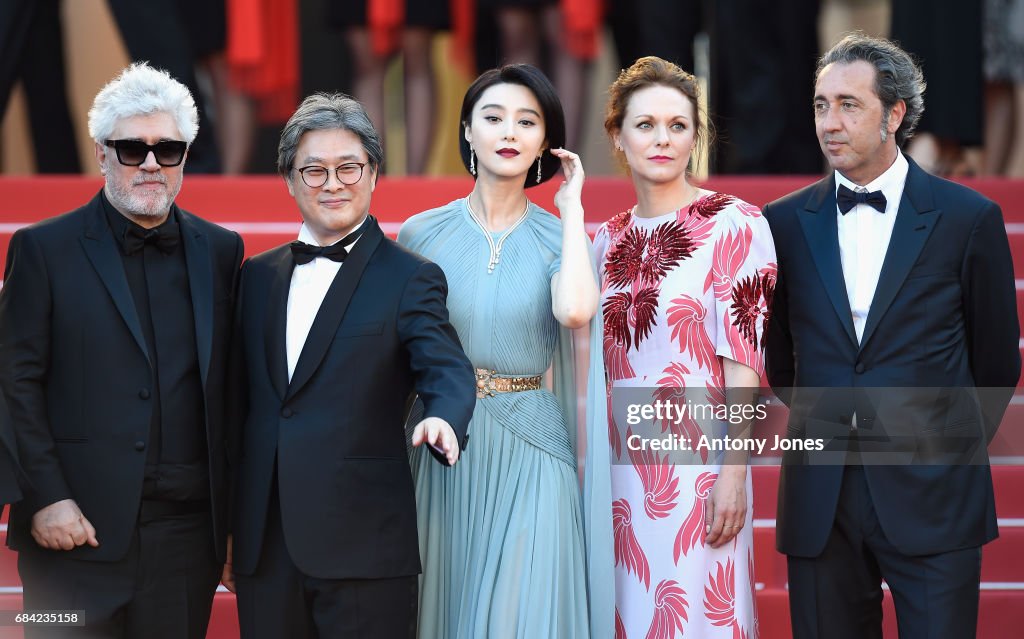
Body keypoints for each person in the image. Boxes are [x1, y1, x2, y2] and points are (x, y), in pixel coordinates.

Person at [764, 33, 1020, 638]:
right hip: (821, 498)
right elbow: (779, 359)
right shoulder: (782, 223)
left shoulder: (967, 220)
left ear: (895, 114)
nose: (831, 121)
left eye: (850, 105)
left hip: (935, 495)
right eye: (822, 104)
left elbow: (995, 363)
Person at [0, 62, 244, 638]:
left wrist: (237, 521)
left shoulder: (221, 251)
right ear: (102, 153)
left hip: (185, 544)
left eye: (169, 149)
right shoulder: (42, 250)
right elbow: (13, 381)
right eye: (132, 149)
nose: (152, 164)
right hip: (71, 537)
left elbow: (235, 392)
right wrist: (45, 498)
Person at [226, 92, 476, 639]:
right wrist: (231, 526)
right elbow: (238, 405)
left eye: (348, 168)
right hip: (265, 544)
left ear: (373, 175)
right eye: (314, 170)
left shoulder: (410, 276)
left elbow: (445, 367)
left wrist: (445, 417)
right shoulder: (256, 277)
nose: (333, 184)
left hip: (364, 547)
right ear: (289, 181)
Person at [398, 63, 599, 637]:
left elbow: (577, 311)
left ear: (545, 141)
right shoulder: (420, 235)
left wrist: (573, 209)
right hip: (444, 441)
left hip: (533, 443)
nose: (509, 132)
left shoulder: (560, 237)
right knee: (450, 609)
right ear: (467, 131)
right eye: (493, 117)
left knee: (519, 615)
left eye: (527, 121)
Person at [594, 55, 774, 637]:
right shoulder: (606, 239)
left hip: (701, 472)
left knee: (700, 618)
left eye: (678, 125)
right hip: (616, 475)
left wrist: (733, 471)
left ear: (698, 136)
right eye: (645, 125)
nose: (663, 139)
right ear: (618, 136)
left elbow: (742, 359)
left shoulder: (736, 225)